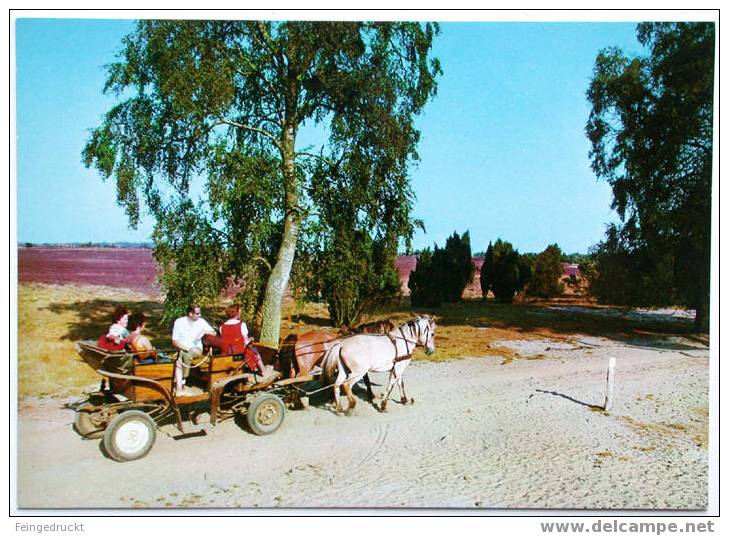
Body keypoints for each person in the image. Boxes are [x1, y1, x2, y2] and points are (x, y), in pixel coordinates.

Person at [171, 304, 216, 395]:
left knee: (185, 355)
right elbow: (174, 341)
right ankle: (180, 386)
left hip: (197, 349)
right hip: (183, 349)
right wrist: (187, 348)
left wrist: (204, 331)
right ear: (190, 314)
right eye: (197, 313)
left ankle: (182, 383)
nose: (199, 315)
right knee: (180, 358)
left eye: (199, 313)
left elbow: (214, 333)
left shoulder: (201, 321)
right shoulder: (179, 322)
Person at [219, 305, 266, 375]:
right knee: (255, 351)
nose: (240, 313)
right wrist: (251, 339)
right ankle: (263, 371)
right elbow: (246, 342)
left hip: (226, 353)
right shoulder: (241, 324)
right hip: (239, 354)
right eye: (239, 312)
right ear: (236, 313)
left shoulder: (222, 327)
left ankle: (256, 368)